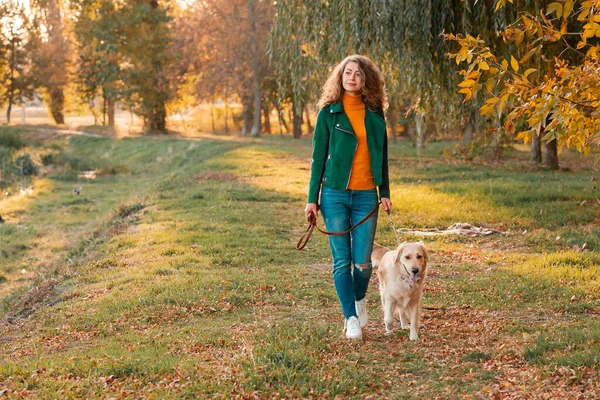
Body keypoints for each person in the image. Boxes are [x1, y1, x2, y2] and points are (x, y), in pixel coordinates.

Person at [305, 55, 391, 340]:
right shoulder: (328, 114)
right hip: (334, 195)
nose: (351, 77)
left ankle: (359, 299)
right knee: (341, 261)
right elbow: (318, 159)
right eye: (347, 72)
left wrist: (385, 192)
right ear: (339, 77)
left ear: (366, 79)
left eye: (357, 73)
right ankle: (351, 318)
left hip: (367, 195)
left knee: (364, 263)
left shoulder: (376, 113)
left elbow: (382, 157)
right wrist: (312, 199)